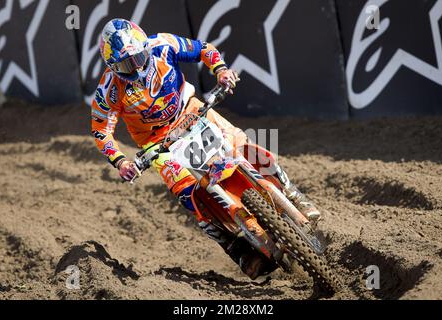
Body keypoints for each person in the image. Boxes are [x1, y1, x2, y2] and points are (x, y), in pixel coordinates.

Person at [91, 19, 320, 279]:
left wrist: (220, 70)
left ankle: (292, 193)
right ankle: (237, 249)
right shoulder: (108, 90)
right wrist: (122, 162)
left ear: (145, 46)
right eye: (124, 65)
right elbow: (101, 130)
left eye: (137, 58)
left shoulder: (163, 45)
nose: (134, 68)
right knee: (190, 196)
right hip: (158, 144)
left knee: (245, 147)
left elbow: (202, 48)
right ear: (112, 66)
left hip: (192, 111)